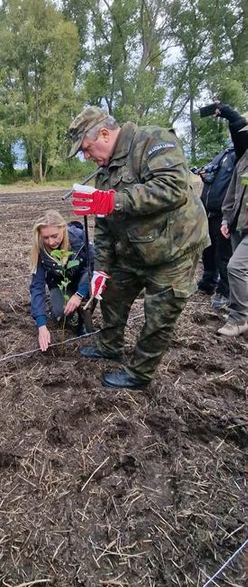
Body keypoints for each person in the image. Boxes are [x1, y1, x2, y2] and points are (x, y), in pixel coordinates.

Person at [66, 106, 210, 390]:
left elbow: (172, 188)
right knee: (112, 295)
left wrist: (114, 201)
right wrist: (102, 270)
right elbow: (105, 228)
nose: (86, 156)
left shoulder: (151, 141)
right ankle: (109, 346)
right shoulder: (104, 174)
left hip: (174, 249)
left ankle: (139, 374)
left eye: (85, 148)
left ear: (104, 134)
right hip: (133, 252)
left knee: (160, 315)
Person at [29, 210, 93, 352]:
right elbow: (37, 287)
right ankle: (68, 312)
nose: (50, 242)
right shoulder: (40, 251)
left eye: (54, 236)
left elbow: (94, 268)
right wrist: (41, 325)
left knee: (94, 288)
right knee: (60, 313)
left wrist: (79, 294)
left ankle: (83, 320)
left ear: (63, 228)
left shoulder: (79, 238)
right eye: (45, 237)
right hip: (60, 285)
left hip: (83, 283)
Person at [217, 114, 248, 337]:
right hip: (240, 224)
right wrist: (227, 219)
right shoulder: (244, 158)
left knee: (235, 267)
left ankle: (239, 319)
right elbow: (233, 192)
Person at [196, 143, 236, 309]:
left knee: (223, 254)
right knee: (208, 248)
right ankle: (208, 281)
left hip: (224, 213)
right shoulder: (223, 154)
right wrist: (205, 176)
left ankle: (225, 291)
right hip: (210, 211)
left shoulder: (239, 154)